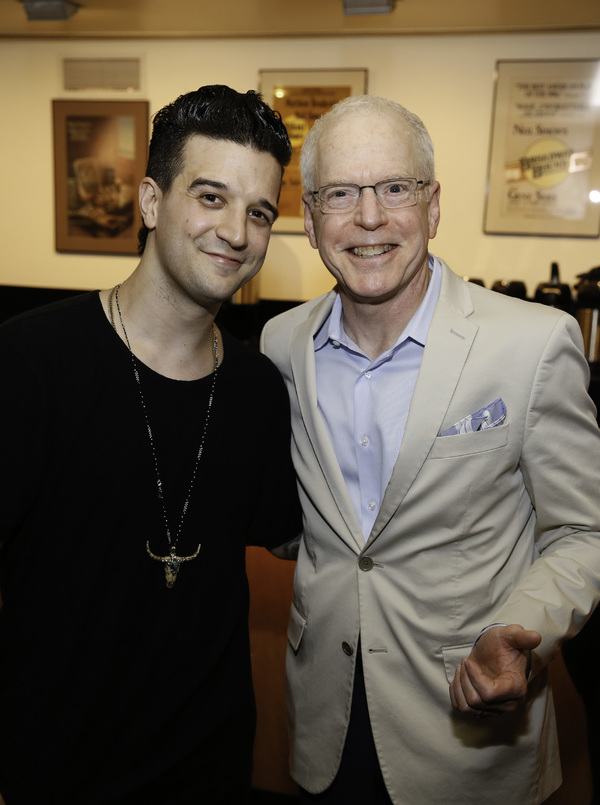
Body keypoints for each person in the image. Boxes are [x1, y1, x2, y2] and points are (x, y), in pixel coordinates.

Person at [260, 94, 600, 804]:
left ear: (433, 206)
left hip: (467, 730)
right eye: (342, 194)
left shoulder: (532, 344)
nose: (371, 217)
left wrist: (522, 630)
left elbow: (584, 530)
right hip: (323, 714)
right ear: (310, 217)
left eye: (394, 189)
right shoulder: (279, 346)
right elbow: (314, 525)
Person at [0, 84, 301, 804]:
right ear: (149, 202)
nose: (236, 231)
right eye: (210, 196)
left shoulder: (260, 387)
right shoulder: (30, 360)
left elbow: (306, 540)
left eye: (259, 212)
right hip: (50, 772)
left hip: (211, 771)